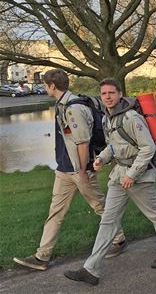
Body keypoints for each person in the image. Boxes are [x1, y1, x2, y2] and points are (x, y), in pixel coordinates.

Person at [64, 78, 156, 286]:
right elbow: (114, 146)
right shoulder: (108, 118)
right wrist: (101, 158)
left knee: (155, 214)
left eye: (111, 93)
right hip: (118, 176)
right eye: (104, 93)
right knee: (108, 220)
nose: (107, 97)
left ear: (120, 94)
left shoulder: (132, 117)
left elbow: (148, 148)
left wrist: (132, 174)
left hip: (139, 176)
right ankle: (91, 269)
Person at [13, 69, 126, 272]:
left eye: (46, 85)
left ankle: (118, 240)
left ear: (52, 86)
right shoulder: (63, 104)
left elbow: (83, 142)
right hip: (64, 170)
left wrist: (83, 171)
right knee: (55, 212)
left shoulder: (74, 108)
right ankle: (42, 256)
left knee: (99, 206)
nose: (45, 88)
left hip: (79, 170)